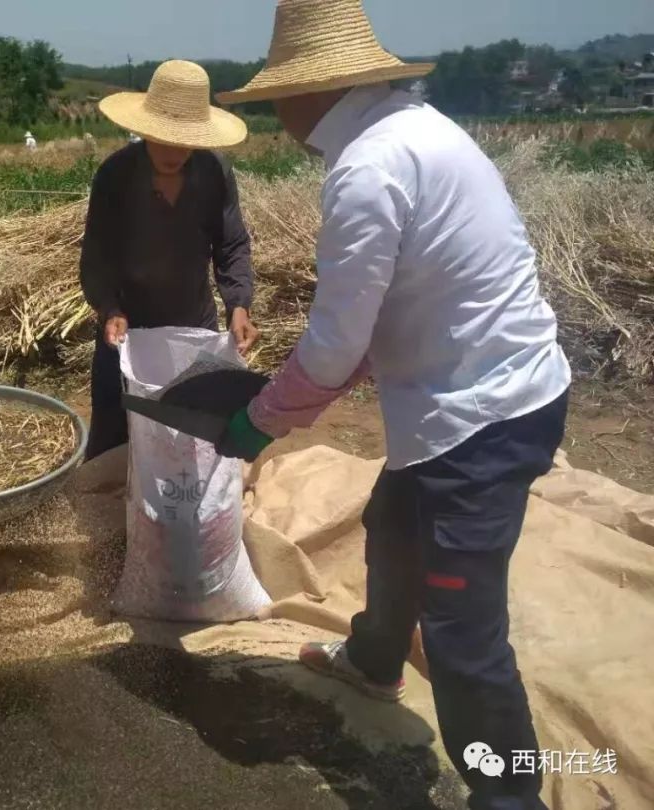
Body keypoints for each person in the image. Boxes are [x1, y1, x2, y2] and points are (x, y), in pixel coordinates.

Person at [214, 2, 572, 809]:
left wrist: (258, 421)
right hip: (479, 394)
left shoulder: (369, 167)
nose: (277, 115)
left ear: (315, 91)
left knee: (462, 634)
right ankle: (374, 661)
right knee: (391, 520)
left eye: (278, 96)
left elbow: (338, 349)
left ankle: (509, 795)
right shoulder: (418, 127)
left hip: (482, 418)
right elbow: (377, 319)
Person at [80, 59, 260, 460]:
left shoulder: (214, 173)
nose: (174, 150)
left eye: (185, 139)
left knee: (190, 439)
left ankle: (176, 518)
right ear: (146, 130)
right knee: (114, 438)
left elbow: (231, 245)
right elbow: (97, 255)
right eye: (164, 137)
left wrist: (239, 303)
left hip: (191, 327)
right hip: (126, 330)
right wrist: (110, 307)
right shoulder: (116, 175)